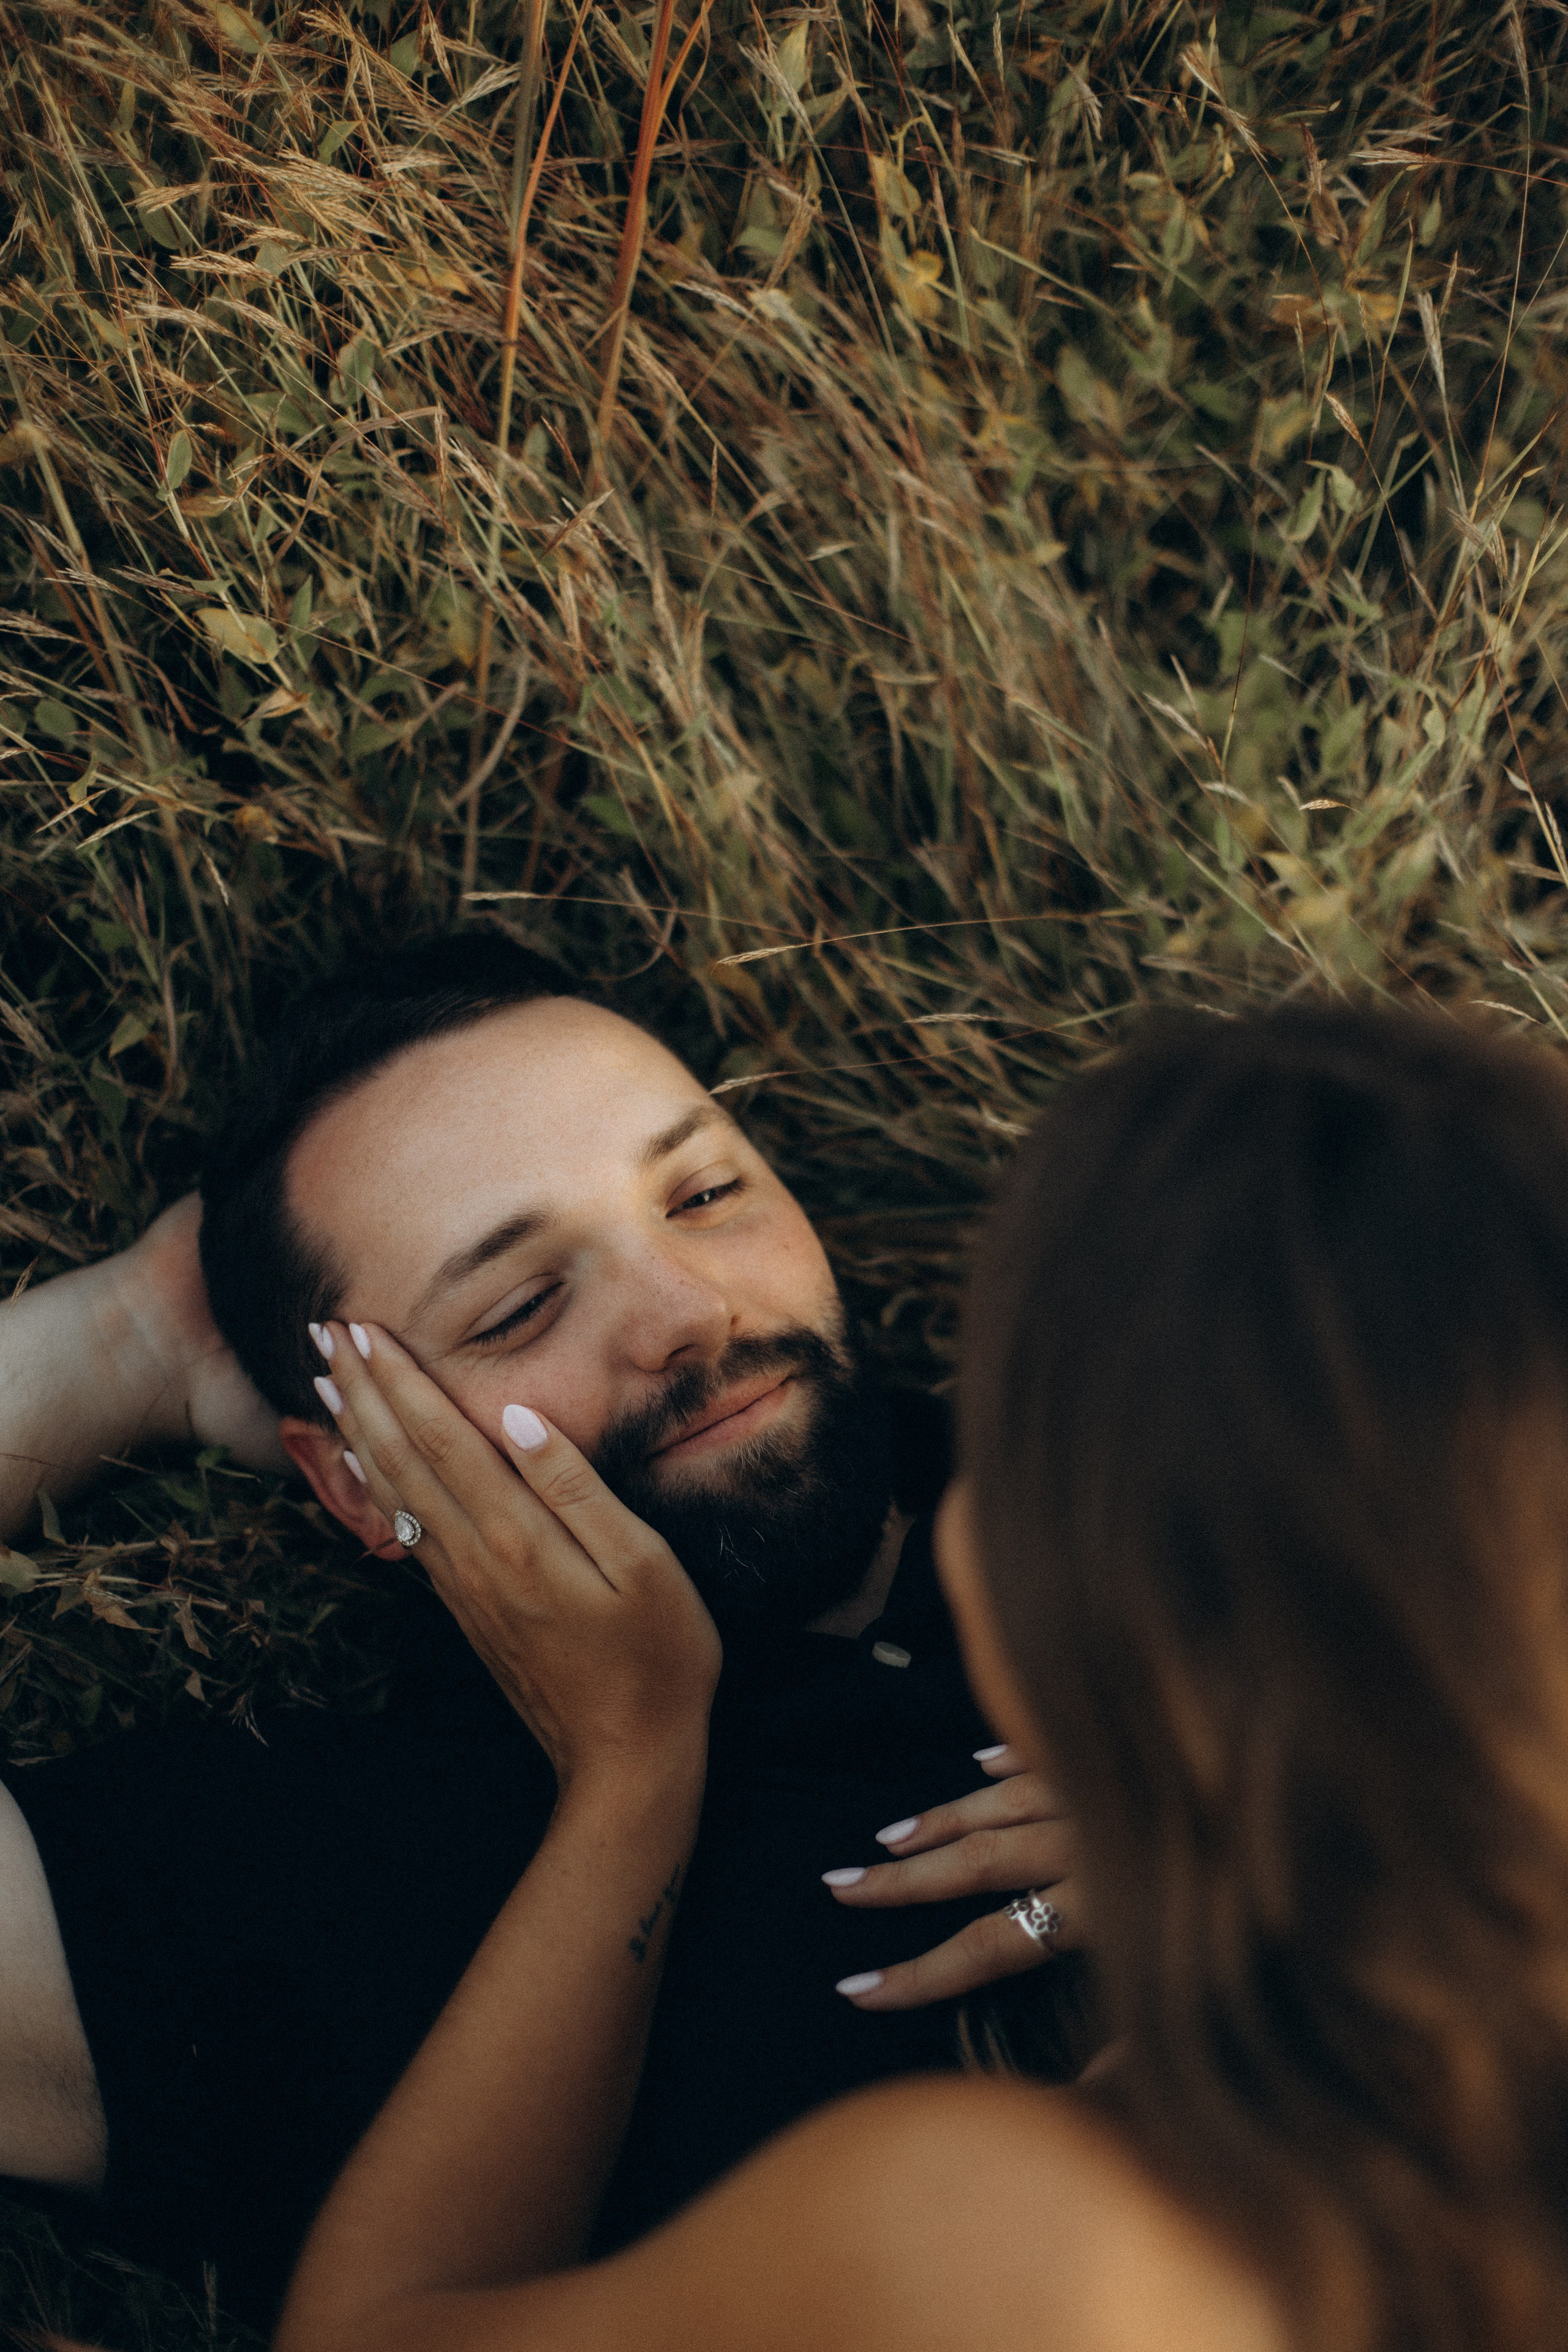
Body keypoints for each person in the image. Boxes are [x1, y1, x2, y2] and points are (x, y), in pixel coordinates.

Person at [274, 1000, 1568, 2352]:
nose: (690, 1315)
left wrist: (629, 1765)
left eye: (1013, 1451)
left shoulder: (1028, 2229)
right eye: (522, 1302)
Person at [0, 935, 1085, 2323]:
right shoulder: (319, 1873)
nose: (690, 1314)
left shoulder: (1180, 1471)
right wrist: (125, 1347)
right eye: (519, 1305)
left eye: (703, 1193)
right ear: (354, 1475)